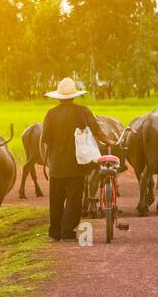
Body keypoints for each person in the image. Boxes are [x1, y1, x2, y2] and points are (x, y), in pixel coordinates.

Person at [40, 77, 108, 242]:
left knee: (56, 200)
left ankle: (54, 233)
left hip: (56, 164)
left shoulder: (51, 113)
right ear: (74, 96)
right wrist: (109, 141)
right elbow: (97, 131)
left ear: (58, 97)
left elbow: (46, 138)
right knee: (74, 199)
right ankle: (68, 232)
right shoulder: (83, 111)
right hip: (78, 164)